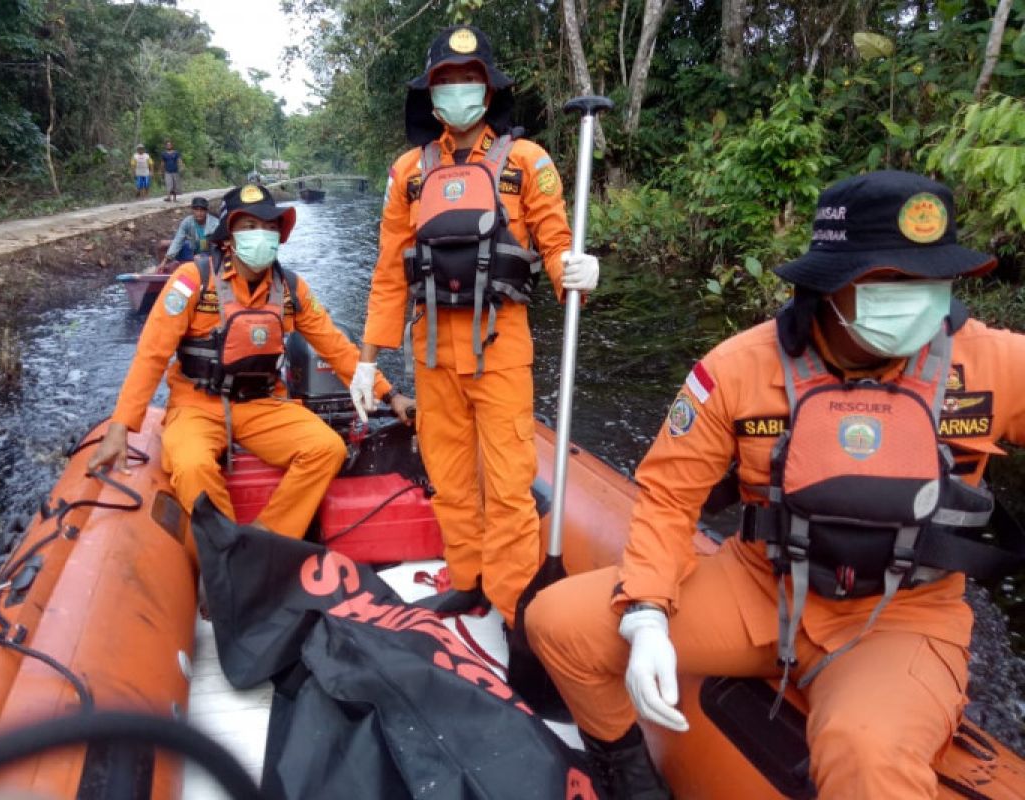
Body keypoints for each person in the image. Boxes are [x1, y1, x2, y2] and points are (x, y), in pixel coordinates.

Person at [524, 171, 1025, 799]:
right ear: (829, 282)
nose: (916, 299)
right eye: (890, 280)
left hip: (902, 615)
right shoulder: (737, 369)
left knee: (865, 753)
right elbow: (670, 495)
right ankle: (630, 774)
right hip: (760, 589)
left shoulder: (990, 362)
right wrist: (647, 613)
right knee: (557, 622)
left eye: (932, 280)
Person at [348, 25, 600, 629]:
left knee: (511, 489)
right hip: (430, 351)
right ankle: (467, 581)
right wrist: (366, 357)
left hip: (500, 344)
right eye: (446, 82)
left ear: (488, 92)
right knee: (452, 480)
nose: (458, 92)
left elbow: (558, 248)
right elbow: (389, 271)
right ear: (430, 97)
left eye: (469, 81)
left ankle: (513, 611)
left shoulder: (526, 161)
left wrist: (581, 275)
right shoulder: (407, 172)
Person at [89, 183, 414, 547]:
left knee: (327, 448)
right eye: (248, 227)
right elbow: (152, 355)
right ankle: (223, 556)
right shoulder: (191, 280)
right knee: (192, 465)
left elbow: (336, 348)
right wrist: (121, 426)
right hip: (197, 406)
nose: (262, 236)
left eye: (270, 227)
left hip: (263, 404)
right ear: (227, 237)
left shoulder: (291, 289)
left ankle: (264, 539)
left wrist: (391, 394)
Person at [160, 196, 219, 270]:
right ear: (192, 210)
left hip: (208, 252)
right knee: (163, 245)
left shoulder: (215, 224)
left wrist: (203, 256)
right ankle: (164, 268)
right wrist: (165, 260)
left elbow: (216, 247)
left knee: (201, 256)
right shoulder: (187, 222)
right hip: (192, 248)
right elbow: (178, 240)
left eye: (202, 210)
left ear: (206, 211)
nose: (199, 213)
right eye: (196, 210)